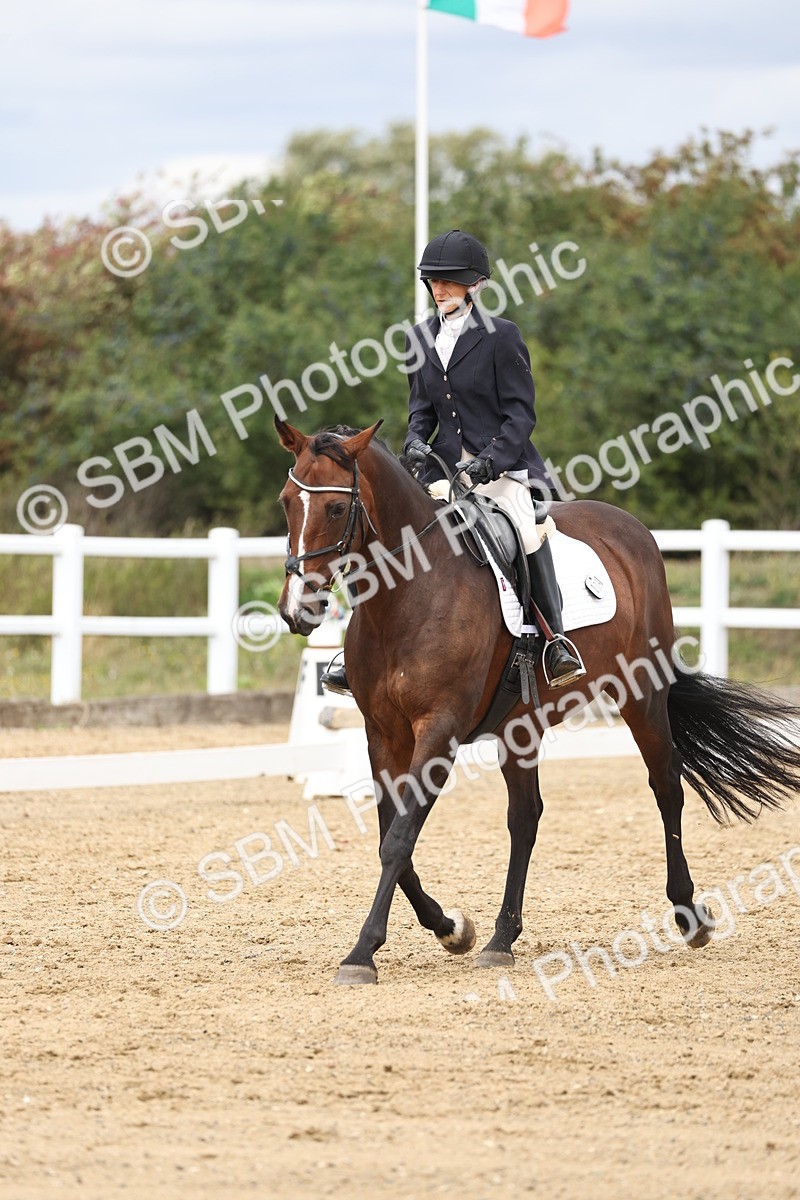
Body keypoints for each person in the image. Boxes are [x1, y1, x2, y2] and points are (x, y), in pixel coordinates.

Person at [321, 228, 585, 696]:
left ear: (475, 284)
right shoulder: (419, 338)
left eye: (449, 281)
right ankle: (357, 649)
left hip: (502, 468)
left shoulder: (502, 336)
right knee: (386, 534)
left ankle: (555, 641)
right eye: (433, 281)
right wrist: (416, 449)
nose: (439, 289)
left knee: (526, 527)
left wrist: (490, 462)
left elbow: (521, 414)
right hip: (443, 472)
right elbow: (420, 413)